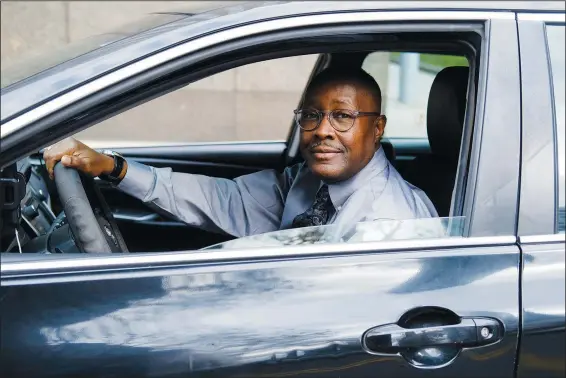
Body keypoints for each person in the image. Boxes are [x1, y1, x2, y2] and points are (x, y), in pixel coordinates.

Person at [44, 68, 438, 238]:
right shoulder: (309, 179)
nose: (322, 130)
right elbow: (225, 200)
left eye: (342, 117)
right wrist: (114, 167)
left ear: (378, 128)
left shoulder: (389, 224)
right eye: (313, 115)